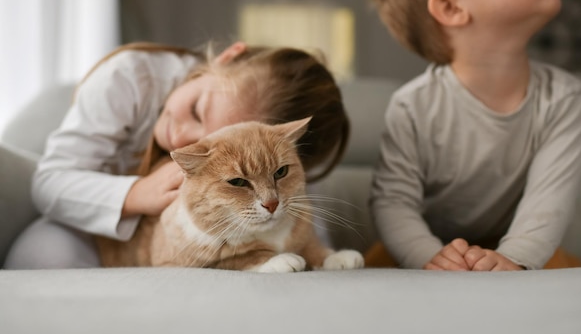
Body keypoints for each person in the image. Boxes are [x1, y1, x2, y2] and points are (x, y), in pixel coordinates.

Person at [4, 41, 349, 269]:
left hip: (219, 227)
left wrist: (319, 254)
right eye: (198, 111)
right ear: (227, 57)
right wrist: (139, 194)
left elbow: (285, 191)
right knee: (44, 254)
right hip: (87, 224)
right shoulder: (128, 78)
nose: (182, 137)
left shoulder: (268, 157)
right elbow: (49, 183)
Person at [366, 0, 581, 271]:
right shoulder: (412, 105)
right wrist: (428, 256)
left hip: (520, 244)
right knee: (373, 270)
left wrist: (515, 258)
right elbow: (393, 202)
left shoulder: (566, 99)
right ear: (450, 7)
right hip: (426, 245)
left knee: (569, 280)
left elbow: (547, 205)